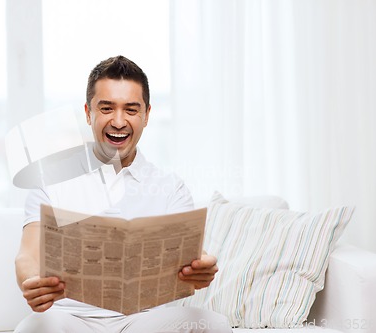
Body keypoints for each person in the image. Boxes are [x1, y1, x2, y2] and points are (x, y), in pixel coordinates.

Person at [14, 56, 231, 333]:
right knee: (33, 329)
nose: (119, 121)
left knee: (213, 324)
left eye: (131, 110)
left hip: (145, 321)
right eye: (106, 108)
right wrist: (31, 280)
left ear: (146, 115)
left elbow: (192, 255)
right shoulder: (51, 181)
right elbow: (27, 255)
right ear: (88, 112)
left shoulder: (169, 187)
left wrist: (203, 267)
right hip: (70, 320)